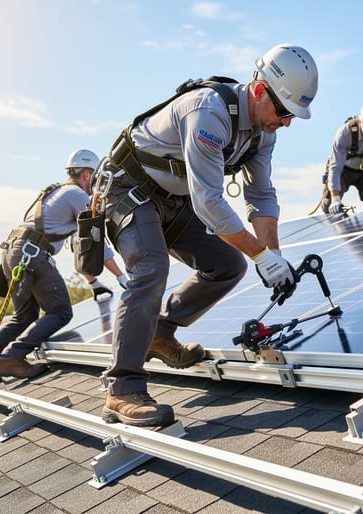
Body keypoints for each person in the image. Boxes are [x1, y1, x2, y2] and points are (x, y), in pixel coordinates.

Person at [98, 44, 319, 427]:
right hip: (128, 191)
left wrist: (274, 254)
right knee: (150, 267)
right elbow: (209, 202)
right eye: (283, 111)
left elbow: (261, 196)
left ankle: (160, 332)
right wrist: (260, 256)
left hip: (174, 199)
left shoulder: (263, 135)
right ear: (259, 89)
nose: (285, 122)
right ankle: (122, 388)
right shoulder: (209, 113)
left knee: (228, 264)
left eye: (292, 116)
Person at [0, 149, 128, 385]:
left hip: (14, 251)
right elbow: (96, 238)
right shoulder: (77, 196)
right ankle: (12, 357)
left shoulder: (57, 192)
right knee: (60, 312)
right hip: (32, 253)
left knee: (24, 316)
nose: (96, 186)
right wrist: (122, 277)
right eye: (96, 179)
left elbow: (83, 246)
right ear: (87, 175)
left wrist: (94, 283)